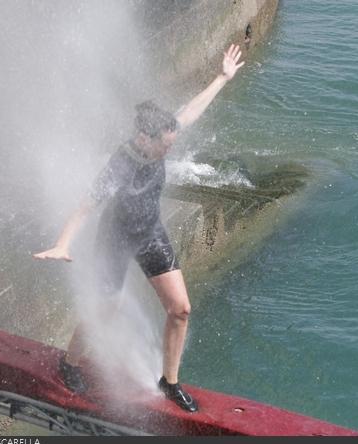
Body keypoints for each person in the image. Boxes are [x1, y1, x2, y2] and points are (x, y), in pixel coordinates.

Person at [33, 44, 245, 413]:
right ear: (144, 139)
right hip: (114, 240)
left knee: (180, 309)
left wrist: (222, 78)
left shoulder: (161, 136)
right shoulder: (120, 164)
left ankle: (169, 382)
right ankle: (70, 362)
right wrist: (62, 243)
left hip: (150, 233)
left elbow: (189, 113)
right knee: (105, 311)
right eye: (165, 145)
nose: (169, 150)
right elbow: (86, 205)